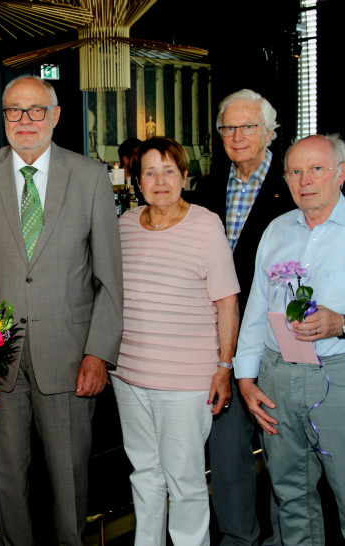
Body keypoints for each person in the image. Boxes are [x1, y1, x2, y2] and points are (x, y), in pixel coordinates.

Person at [0, 75, 123, 545]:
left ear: (56, 116)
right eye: (14, 110)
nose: (25, 120)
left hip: (70, 359)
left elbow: (109, 277)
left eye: (36, 110)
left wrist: (98, 354)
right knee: (5, 481)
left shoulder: (89, 176)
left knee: (70, 481)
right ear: (2, 115)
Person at [111, 136, 240, 545]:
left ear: (185, 176)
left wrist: (225, 367)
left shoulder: (206, 224)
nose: (160, 180)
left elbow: (227, 304)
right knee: (144, 473)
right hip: (129, 375)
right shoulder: (125, 225)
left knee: (183, 480)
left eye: (169, 171)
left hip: (186, 382)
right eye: (150, 172)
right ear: (137, 180)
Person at [192, 89, 294, 545]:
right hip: (220, 344)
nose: (237, 135)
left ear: (270, 132)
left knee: (284, 457)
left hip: (281, 342)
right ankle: (238, 538)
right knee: (228, 455)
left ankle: (284, 539)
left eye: (248, 126)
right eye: (228, 127)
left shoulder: (293, 184)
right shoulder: (208, 188)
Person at [234, 134, 345, 545]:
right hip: (276, 379)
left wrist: (342, 323)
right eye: (295, 171)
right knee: (291, 500)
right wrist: (246, 380)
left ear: (341, 173)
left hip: (338, 378)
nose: (306, 180)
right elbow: (256, 314)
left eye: (317, 168)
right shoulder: (276, 231)